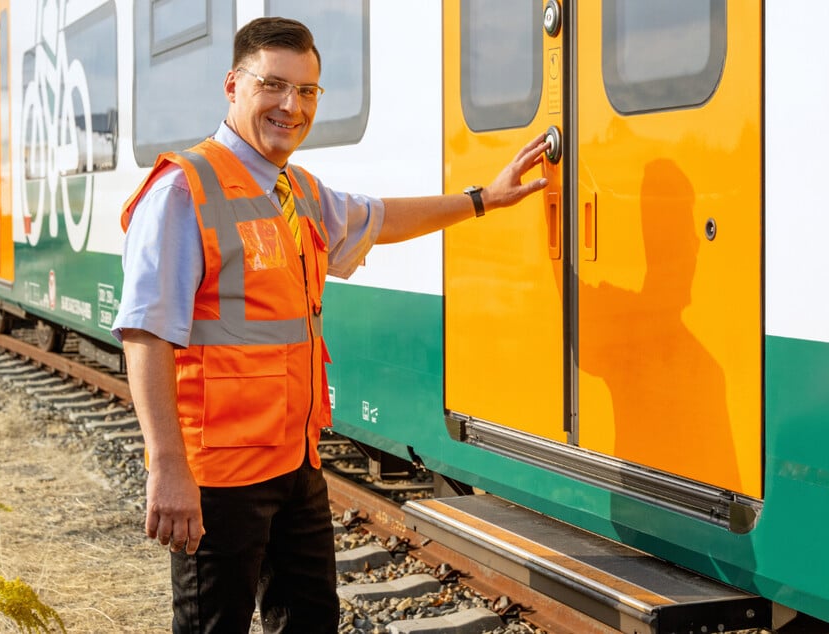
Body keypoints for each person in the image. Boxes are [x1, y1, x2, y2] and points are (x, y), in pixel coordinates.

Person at [112, 16, 549, 634]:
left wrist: (482, 199)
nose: (292, 106)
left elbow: (379, 218)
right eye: (274, 85)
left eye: (308, 90)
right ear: (233, 85)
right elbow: (146, 333)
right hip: (220, 476)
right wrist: (167, 465)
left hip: (295, 462)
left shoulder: (295, 191)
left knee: (311, 619)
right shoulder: (186, 189)